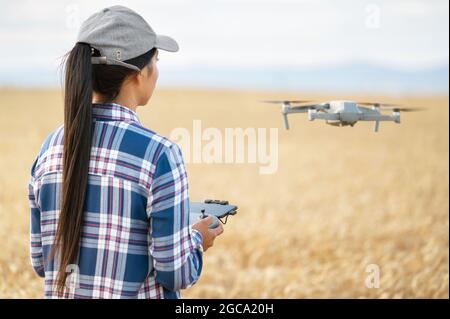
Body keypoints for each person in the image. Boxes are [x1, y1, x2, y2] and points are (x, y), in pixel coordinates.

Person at [27, 5, 223, 299]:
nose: (156, 71)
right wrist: (197, 238)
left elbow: (42, 262)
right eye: (155, 61)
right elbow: (175, 272)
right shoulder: (160, 154)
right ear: (138, 74)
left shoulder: (50, 148)